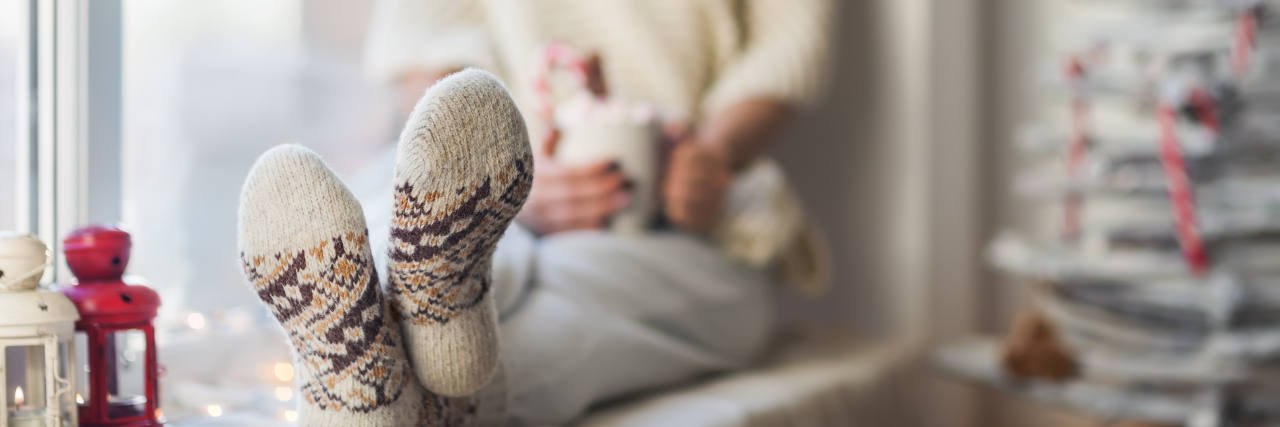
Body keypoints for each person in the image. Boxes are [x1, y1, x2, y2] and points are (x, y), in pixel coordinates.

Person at [241, 1, 834, 425]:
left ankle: (372, 384)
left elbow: (788, 42)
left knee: (568, 297)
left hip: (679, 221)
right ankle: (439, 340)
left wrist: (714, 154)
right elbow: (428, 29)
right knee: (534, 290)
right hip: (493, 161)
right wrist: (502, 166)